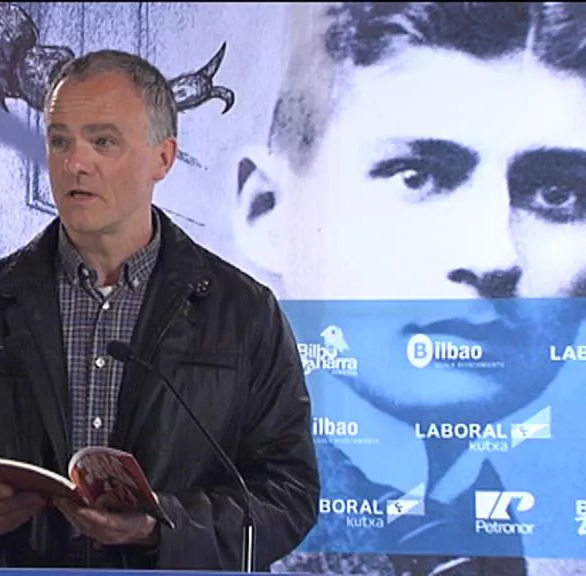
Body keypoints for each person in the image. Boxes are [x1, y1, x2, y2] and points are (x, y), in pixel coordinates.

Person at [0, 48, 319, 570]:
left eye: (103, 141)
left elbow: (287, 494)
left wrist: (163, 526)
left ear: (163, 158)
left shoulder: (244, 314)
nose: (74, 163)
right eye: (59, 141)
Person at [232, 3, 586, 574]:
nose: (494, 255)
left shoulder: (490, 527)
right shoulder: (205, 506)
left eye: (556, 195)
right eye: (418, 176)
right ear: (270, 213)